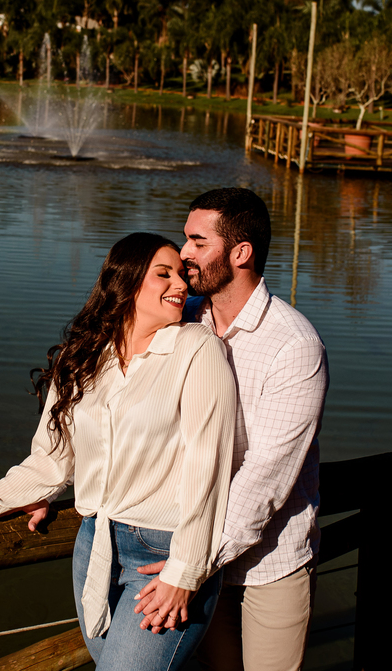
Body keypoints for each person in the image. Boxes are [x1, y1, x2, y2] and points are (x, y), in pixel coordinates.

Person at [0, 232, 238, 671]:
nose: (181, 284)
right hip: (94, 545)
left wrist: (186, 571)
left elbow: (207, 470)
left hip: (163, 555)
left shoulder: (197, 349)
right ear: (127, 281)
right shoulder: (82, 358)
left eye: (181, 274)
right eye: (164, 274)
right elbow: (51, 462)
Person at [134, 188, 329, 671]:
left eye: (198, 242)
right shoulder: (181, 320)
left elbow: (266, 477)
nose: (183, 255)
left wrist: (191, 564)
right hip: (183, 550)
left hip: (268, 564)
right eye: (185, 241)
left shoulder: (294, 345)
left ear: (240, 253)